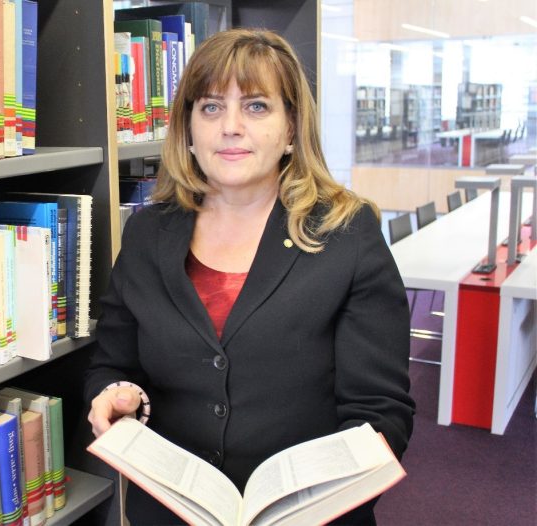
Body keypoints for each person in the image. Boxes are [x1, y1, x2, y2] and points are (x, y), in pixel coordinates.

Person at [85, 28, 414, 525]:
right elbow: (111, 364)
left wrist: (317, 505)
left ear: (291, 129)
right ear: (188, 128)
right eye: (211, 107)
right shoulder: (148, 232)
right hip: (173, 512)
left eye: (257, 106)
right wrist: (116, 395)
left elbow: (380, 411)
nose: (230, 127)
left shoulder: (346, 233)